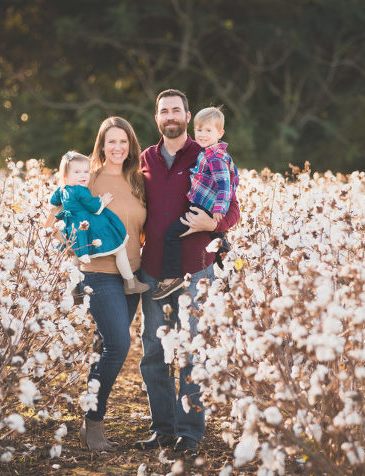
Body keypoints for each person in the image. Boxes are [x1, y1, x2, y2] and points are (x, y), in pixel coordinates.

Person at [135, 89, 241, 455]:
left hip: (195, 270)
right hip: (153, 269)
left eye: (176, 110)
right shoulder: (146, 158)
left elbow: (233, 211)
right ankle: (163, 428)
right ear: (157, 118)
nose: (170, 116)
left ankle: (190, 432)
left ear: (188, 115)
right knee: (153, 351)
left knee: (193, 351)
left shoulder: (207, 154)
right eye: (164, 110)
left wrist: (210, 223)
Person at [48, 117, 147, 451]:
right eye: (111, 142)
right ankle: (94, 424)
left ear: (131, 145)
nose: (118, 148)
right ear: (101, 146)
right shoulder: (85, 178)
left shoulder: (138, 180)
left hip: (131, 273)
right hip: (99, 274)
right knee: (119, 344)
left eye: (124, 142)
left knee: (106, 345)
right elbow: (54, 218)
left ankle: (89, 414)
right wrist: (73, 249)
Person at [151, 106, 239, 300]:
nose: (203, 134)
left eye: (208, 131)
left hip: (204, 207)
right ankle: (233, 274)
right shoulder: (207, 153)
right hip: (203, 205)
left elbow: (225, 185)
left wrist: (218, 210)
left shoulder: (215, 156)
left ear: (220, 133)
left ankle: (171, 278)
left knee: (173, 234)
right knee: (218, 241)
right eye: (199, 130)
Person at [49, 150, 149, 294]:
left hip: (72, 227)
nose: (83, 175)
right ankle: (130, 281)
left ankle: (72, 288)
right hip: (88, 225)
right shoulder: (80, 191)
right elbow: (94, 207)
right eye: (77, 172)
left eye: (85, 171)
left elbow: (53, 202)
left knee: (75, 256)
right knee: (119, 248)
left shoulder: (62, 189)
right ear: (65, 175)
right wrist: (104, 200)